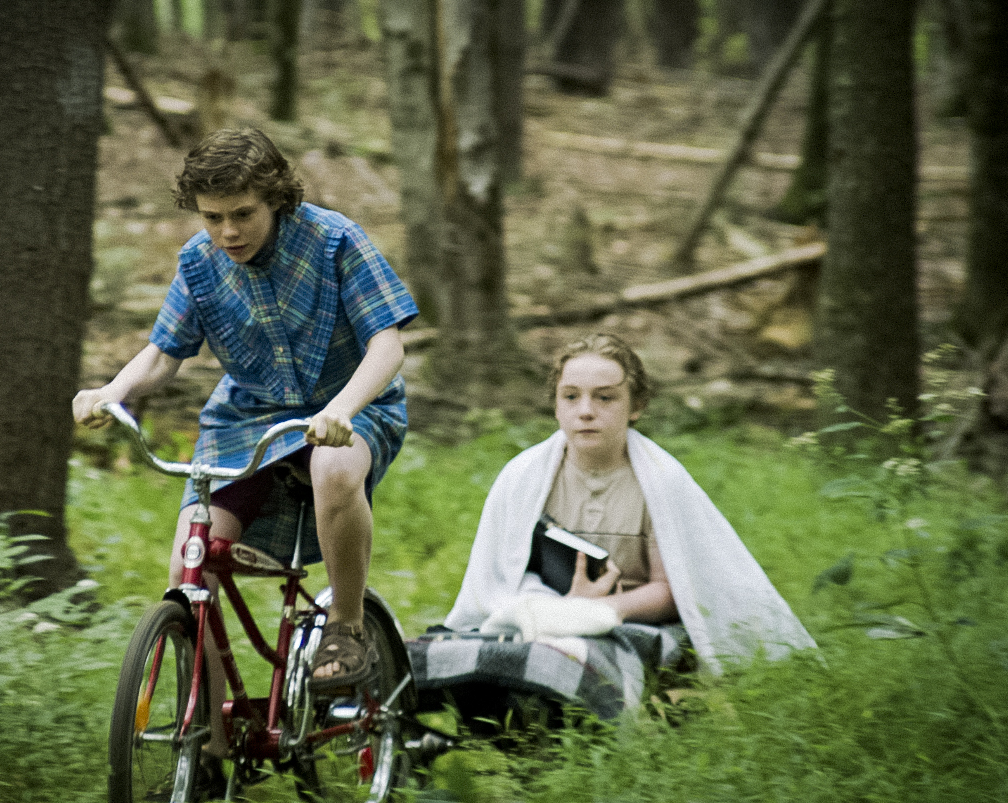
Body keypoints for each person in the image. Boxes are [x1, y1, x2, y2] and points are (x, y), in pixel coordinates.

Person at [73, 128, 418, 776]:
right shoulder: (200, 264)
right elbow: (164, 353)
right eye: (212, 217)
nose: (227, 231)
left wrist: (341, 410)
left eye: (242, 215)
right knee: (189, 559)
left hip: (350, 405)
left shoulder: (335, 241)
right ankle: (208, 740)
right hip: (249, 416)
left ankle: (343, 625)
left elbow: (387, 345)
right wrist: (112, 389)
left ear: (277, 199)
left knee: (334, 466)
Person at [421, 333, 815, 720]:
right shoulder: (524, 476)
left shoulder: (659, 482)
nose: (586, 411)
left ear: (635, 406)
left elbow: (671, 588)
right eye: (571, 396)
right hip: (546, 610)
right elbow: (502, 575)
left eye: (605, 397)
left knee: (570, 657)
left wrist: (598, 610)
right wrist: (550, 607)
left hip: (634, 621)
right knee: (455, 650)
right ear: (556, 405)